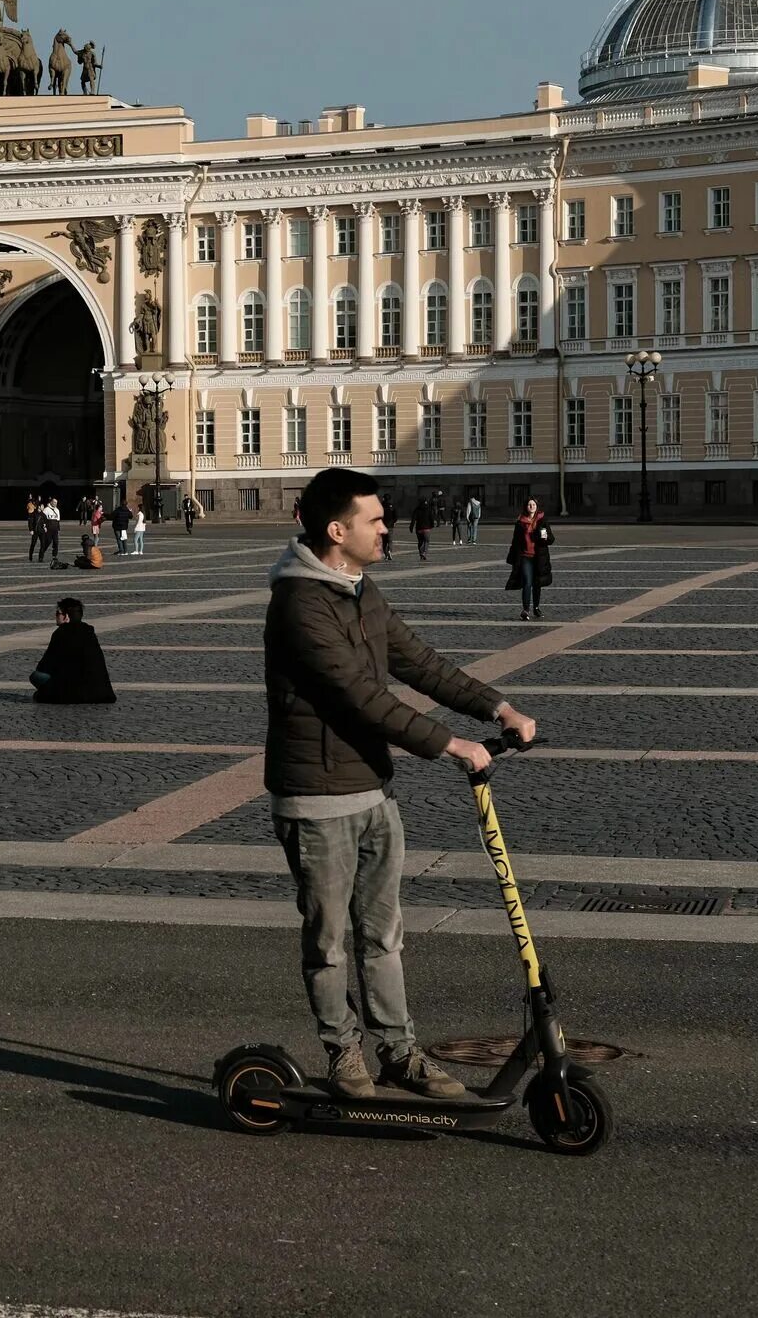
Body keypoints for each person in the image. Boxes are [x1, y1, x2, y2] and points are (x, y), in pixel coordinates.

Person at [265, 468, 539, 1101]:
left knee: (383, 935)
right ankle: (343, 1055)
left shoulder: (361, 589)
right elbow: (360, 697)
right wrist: (450, 745)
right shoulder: (300, 603)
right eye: (375, 519)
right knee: (330, 941)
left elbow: (419, 662)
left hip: (372, 791)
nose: (387, 527)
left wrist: (498, 709)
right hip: (316, 796)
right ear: (337, 531)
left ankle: (399, 1052)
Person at [29, 597, 116, 704]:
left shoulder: (60, 633)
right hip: (99, 692)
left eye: (58, 613)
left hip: (72, 692)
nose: (56, 616)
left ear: (66, 617)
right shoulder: (89, 632)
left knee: (35, 676)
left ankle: (49, 692)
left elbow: (44, 666)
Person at [506, 498, 554, 620]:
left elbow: (551, 539)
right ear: (526, 507)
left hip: (539, 557)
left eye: (533, 504)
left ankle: (536, 608)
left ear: (537, 506)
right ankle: (525, 610)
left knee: (537, 584)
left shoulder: (542, 521)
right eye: (529, 504)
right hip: (525, 557)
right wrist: (512, 558)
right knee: (527, 583)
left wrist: (544, 538)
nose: (531, 506)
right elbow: (515, 541)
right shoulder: (520, 522)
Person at [409, 493, 434, 562]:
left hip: (419, 528)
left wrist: (411, 527)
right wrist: (432, 525)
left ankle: (421, 553)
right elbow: (431, 518)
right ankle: (424, 553)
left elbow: (413, 519)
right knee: (426, 541)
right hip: (427, 528)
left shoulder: (417, 509)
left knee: (420, 541)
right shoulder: (428, 509)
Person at [39, 497, 62, 566]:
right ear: (51, 502)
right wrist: (44, 527)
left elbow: (58, 521)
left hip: (55, 530)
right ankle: (41, 555)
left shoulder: (57, 510)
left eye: (56, 503)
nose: (55, 504)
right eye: (54, 502)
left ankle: (54, 556)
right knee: (47, 542)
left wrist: (58, 529)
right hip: (48, 529)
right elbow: (42, 519)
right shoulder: (46, 510)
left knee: (56, 543)